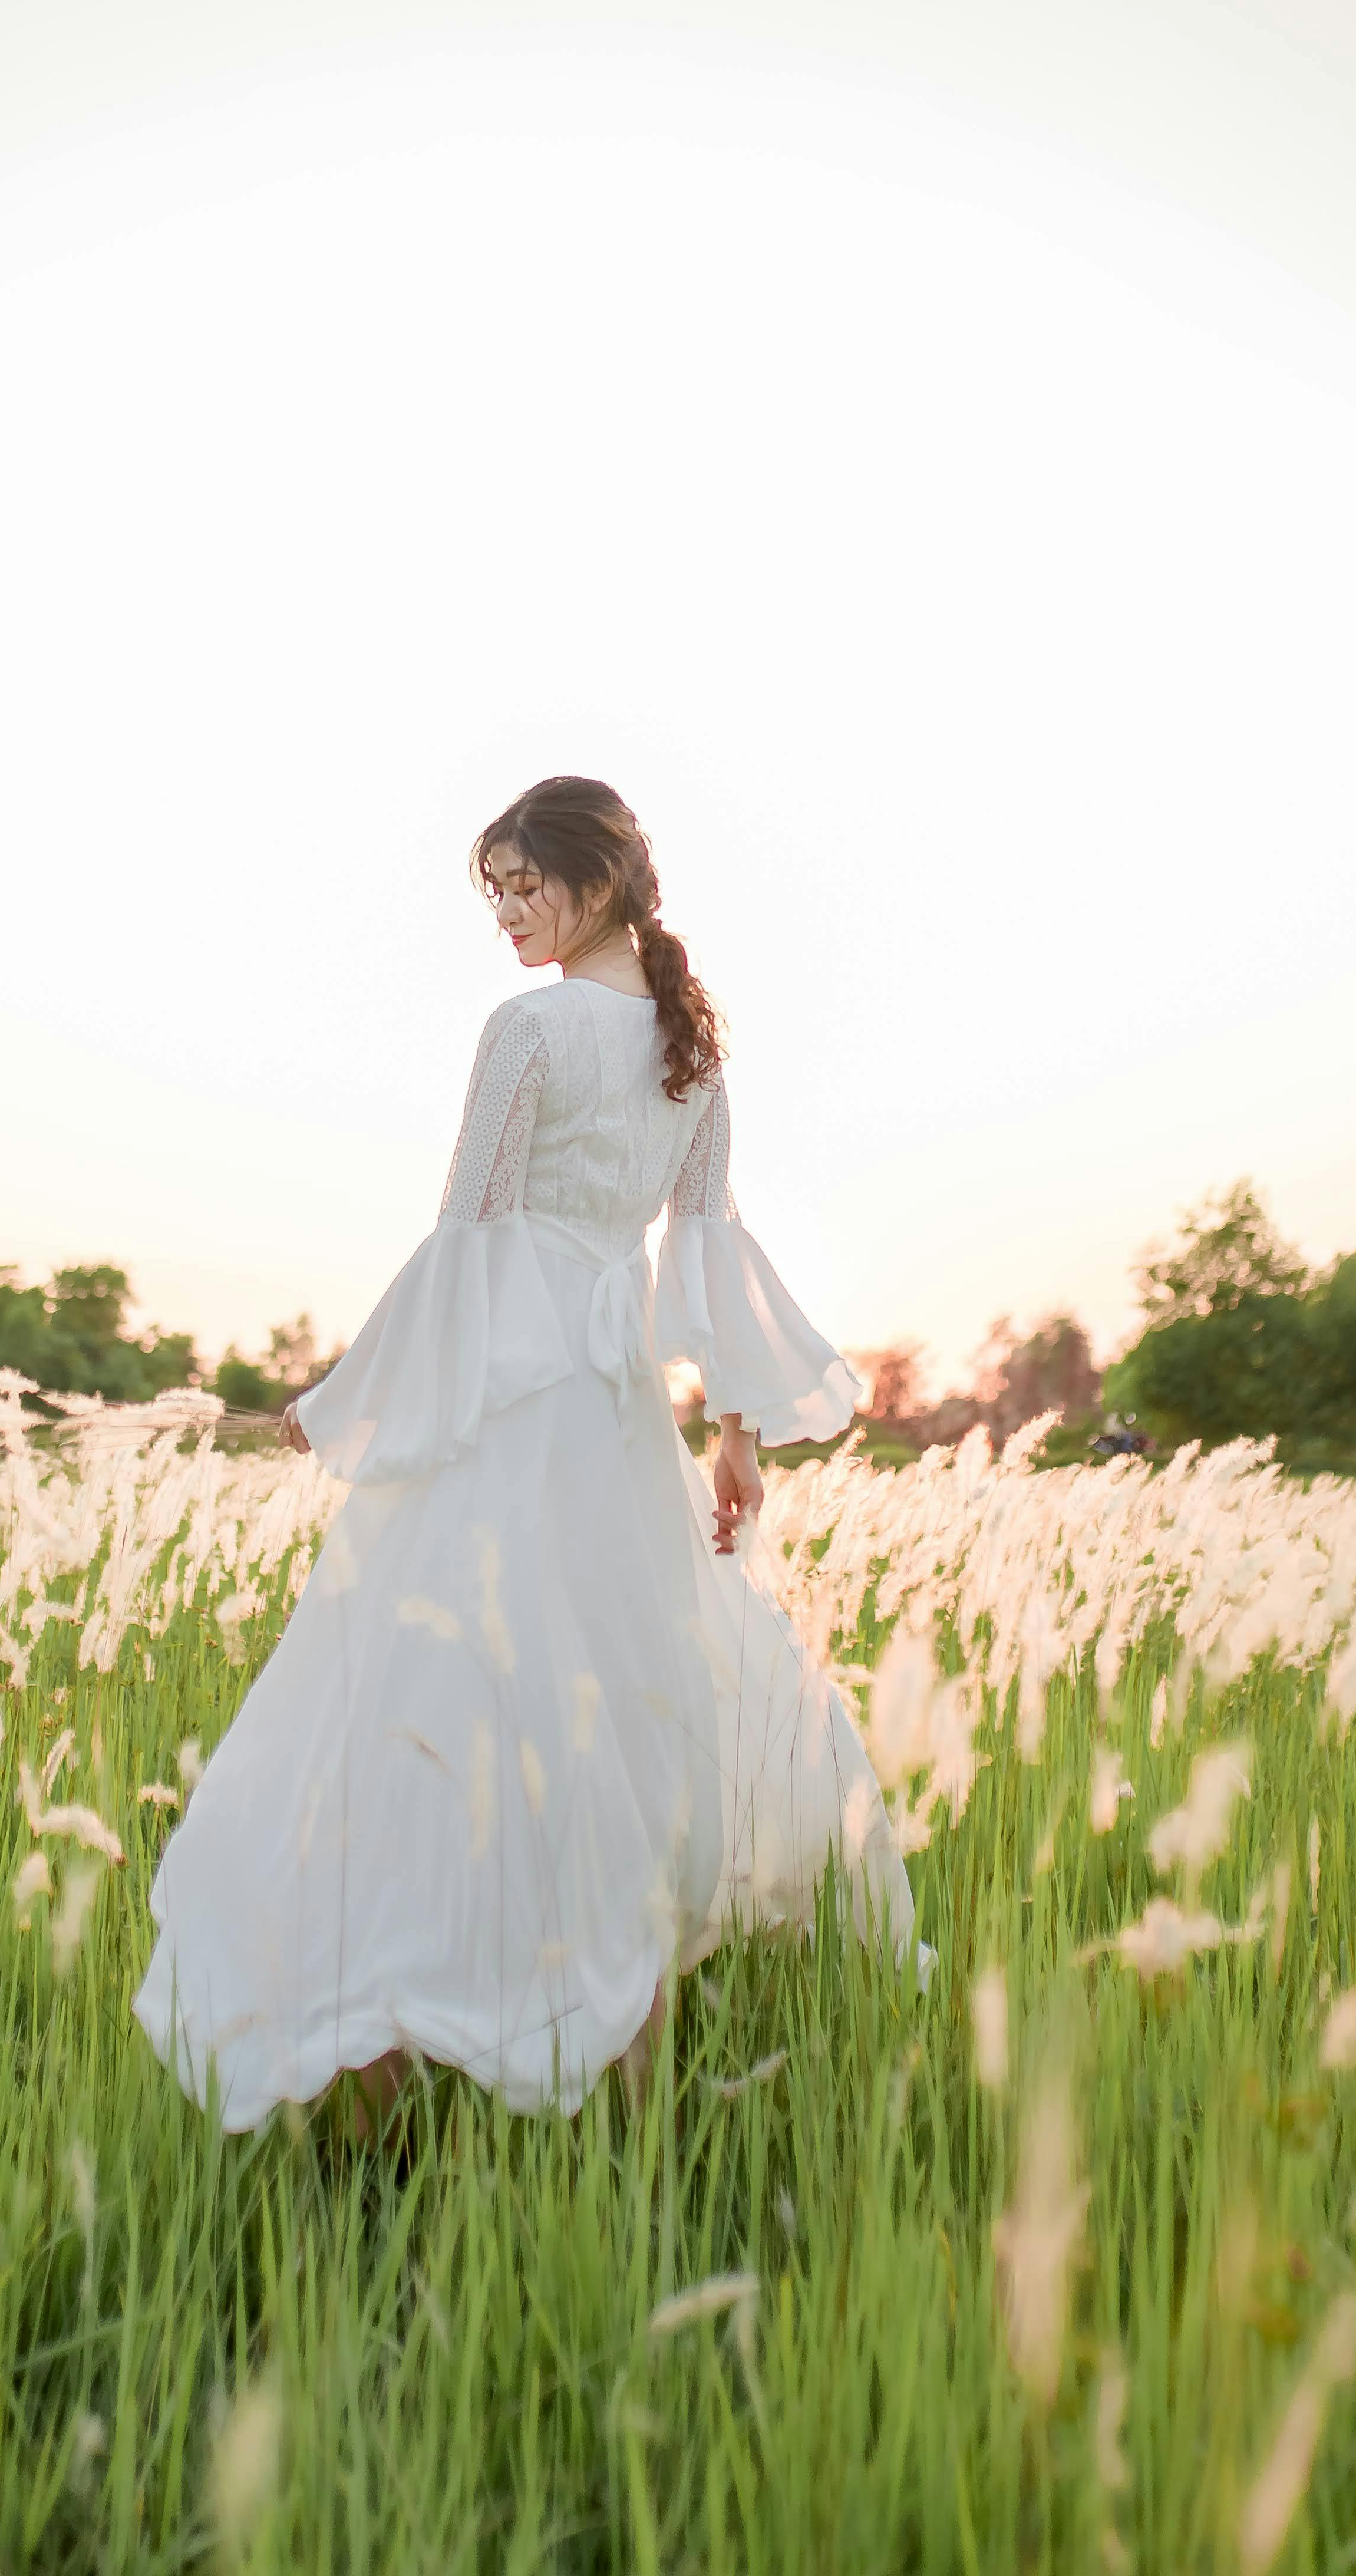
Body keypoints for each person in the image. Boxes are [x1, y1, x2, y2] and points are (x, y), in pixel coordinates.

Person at [134, 776, 922, 2136]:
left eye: (521, 885)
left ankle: (391, 2052)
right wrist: (731, 1431)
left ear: (599, 878)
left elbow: (471, 1235)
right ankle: (611, 2076)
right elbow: (703, 1248)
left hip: (518, 1410)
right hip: (616, 1419)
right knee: (618, 1712)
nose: (504, 915)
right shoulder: (689, 1047)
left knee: (418, 1704)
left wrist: (349, 1394)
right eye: (490, 892)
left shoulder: (530, 1032)